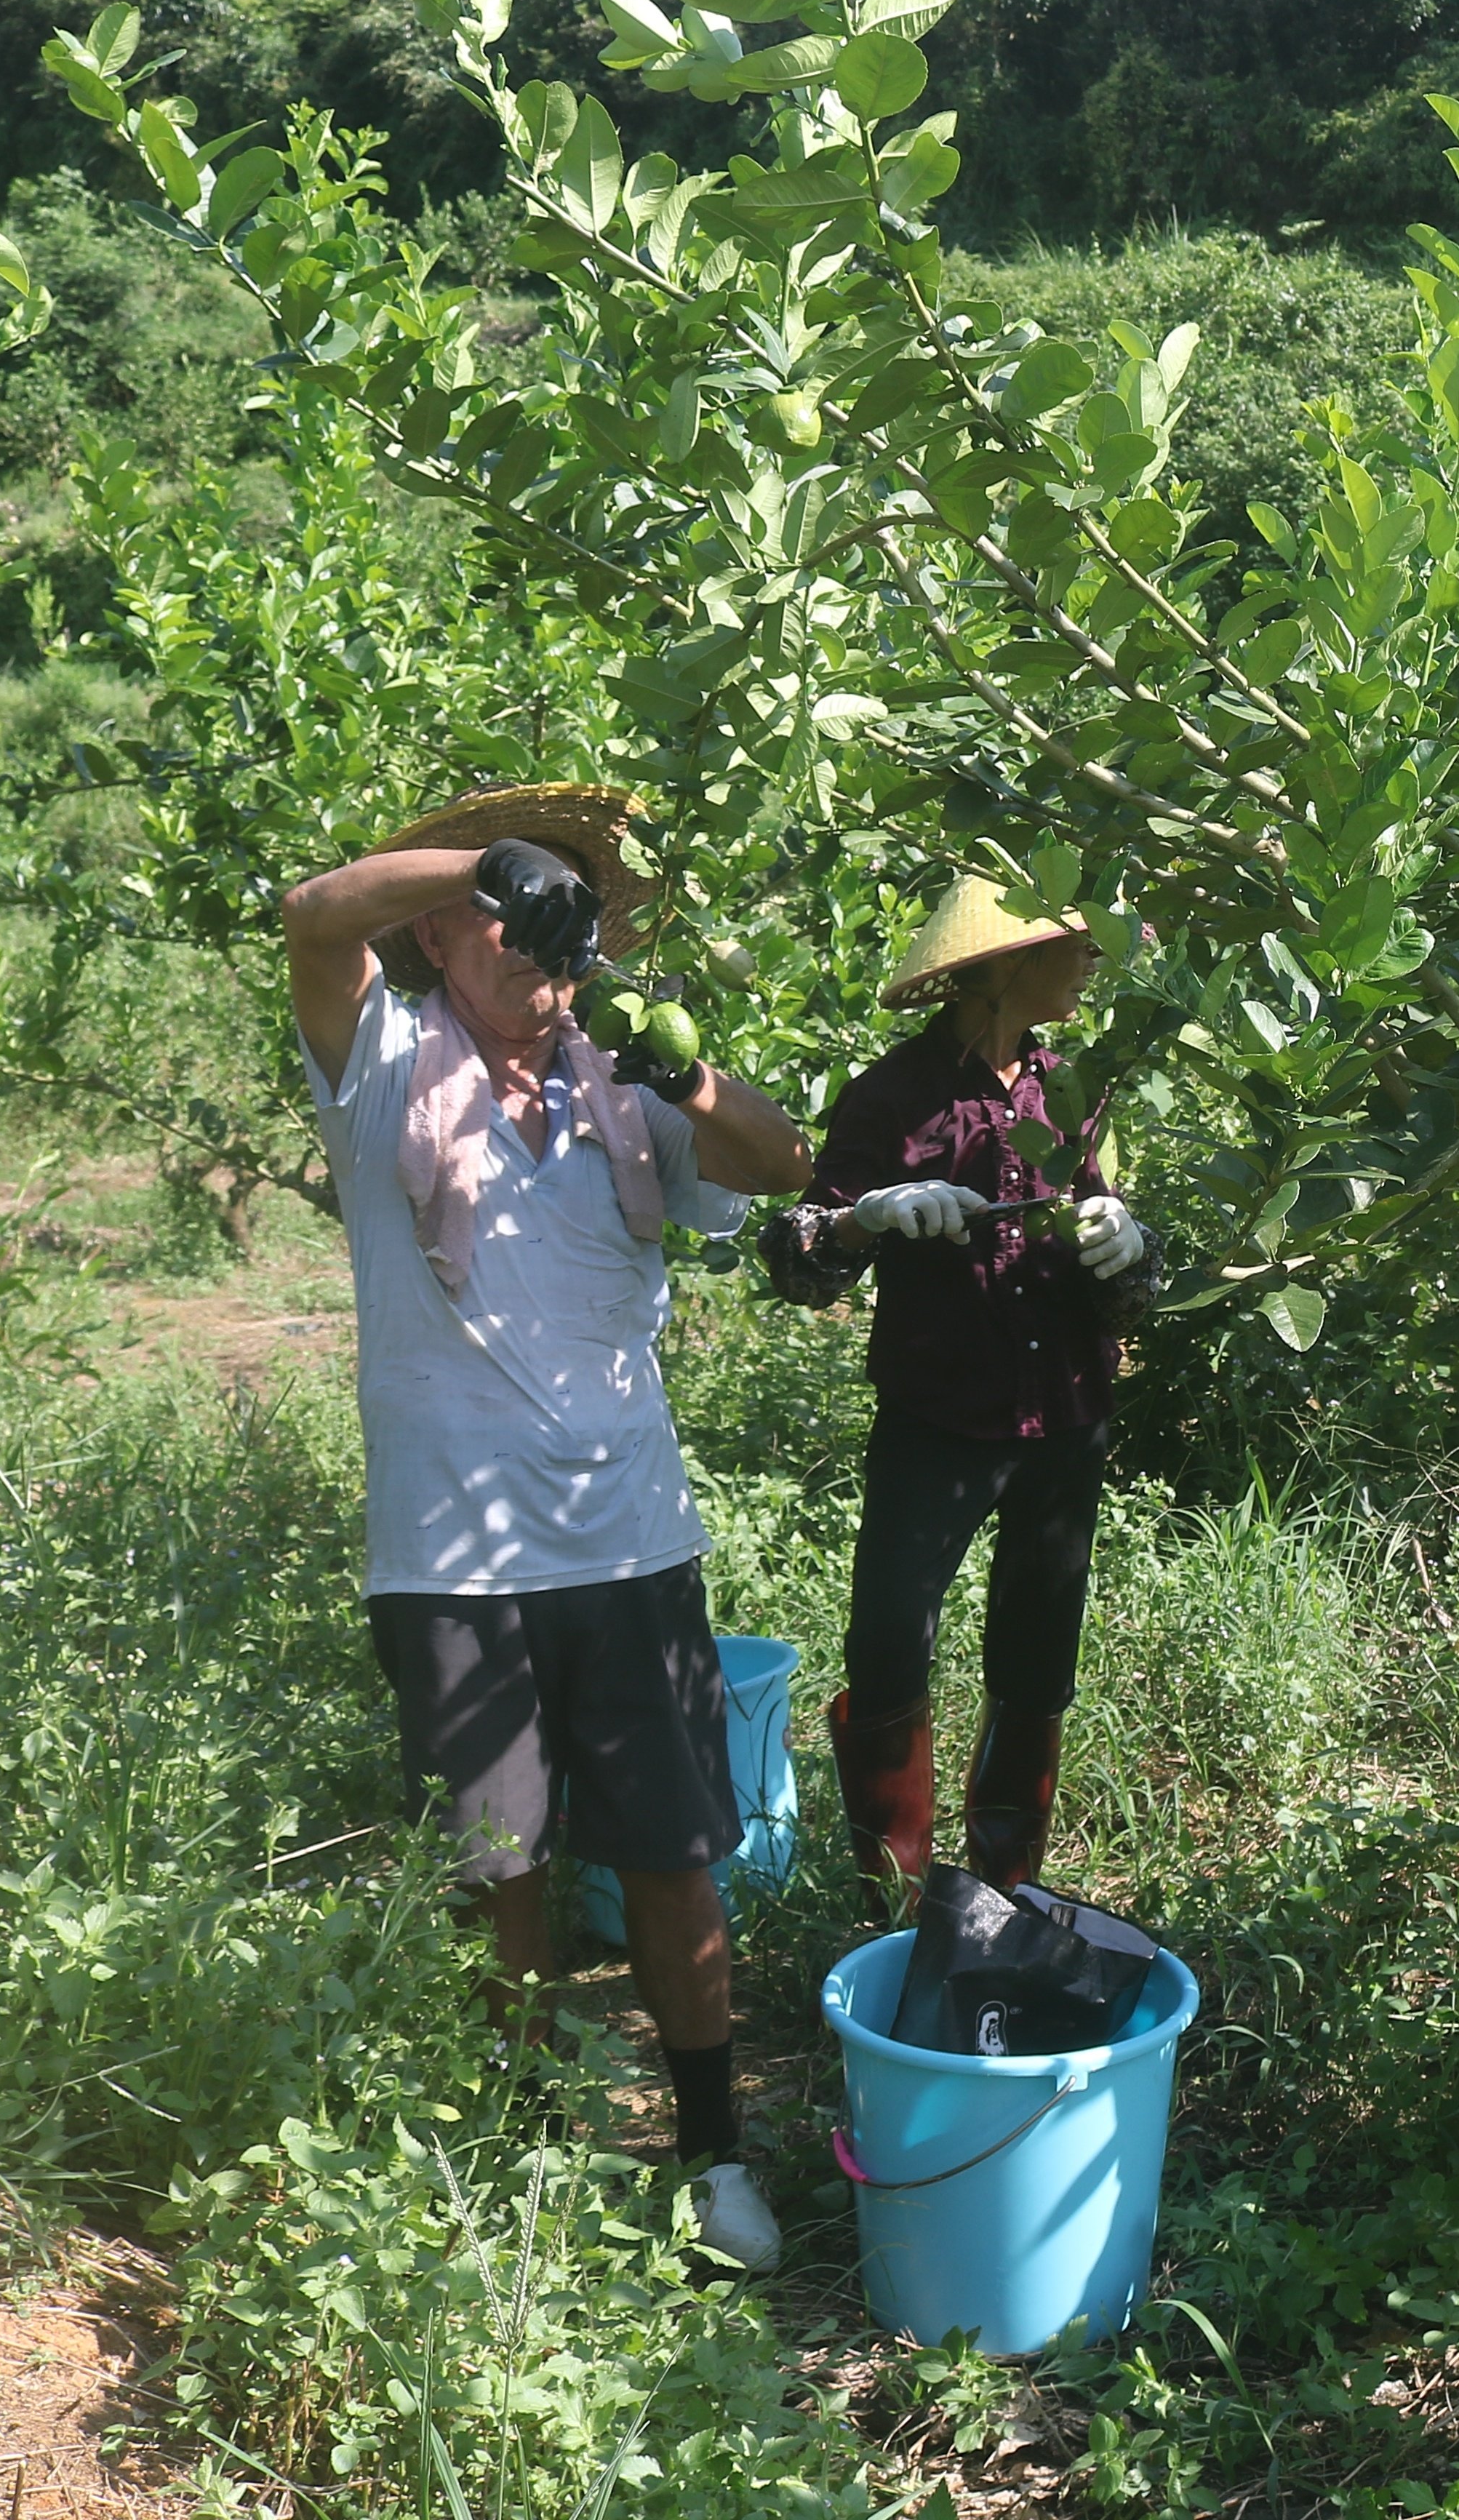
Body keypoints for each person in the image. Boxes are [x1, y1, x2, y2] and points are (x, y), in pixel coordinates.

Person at [281, 784, 825, 2274]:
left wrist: (698, 1080)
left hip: (633, 1546)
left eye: (560, 919)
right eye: (506, 915)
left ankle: (712, 2151)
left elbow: (789, 1164)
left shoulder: (627, 1090)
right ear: (444, 930)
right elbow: (313, 916)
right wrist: (486, 861)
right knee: (501, 1867)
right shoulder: (383, 1066)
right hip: (453, 1556)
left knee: (674, 1853)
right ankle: (527, 2146)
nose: (534, 944)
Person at [810, 876, 1150, 1905]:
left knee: (1039, 1643)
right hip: (940, 1412)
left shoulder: (1077, 1089)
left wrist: (1133, 1244)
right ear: (1002, 965)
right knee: (889, 1636)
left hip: (1065, 1411)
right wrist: (866, 1217)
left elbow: (1127, 1279)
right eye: (1070, 945)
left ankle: (1004, 1882)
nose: (1090, 961)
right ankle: (896, 1890)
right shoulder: (890, 1098)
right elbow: (803, 1256)